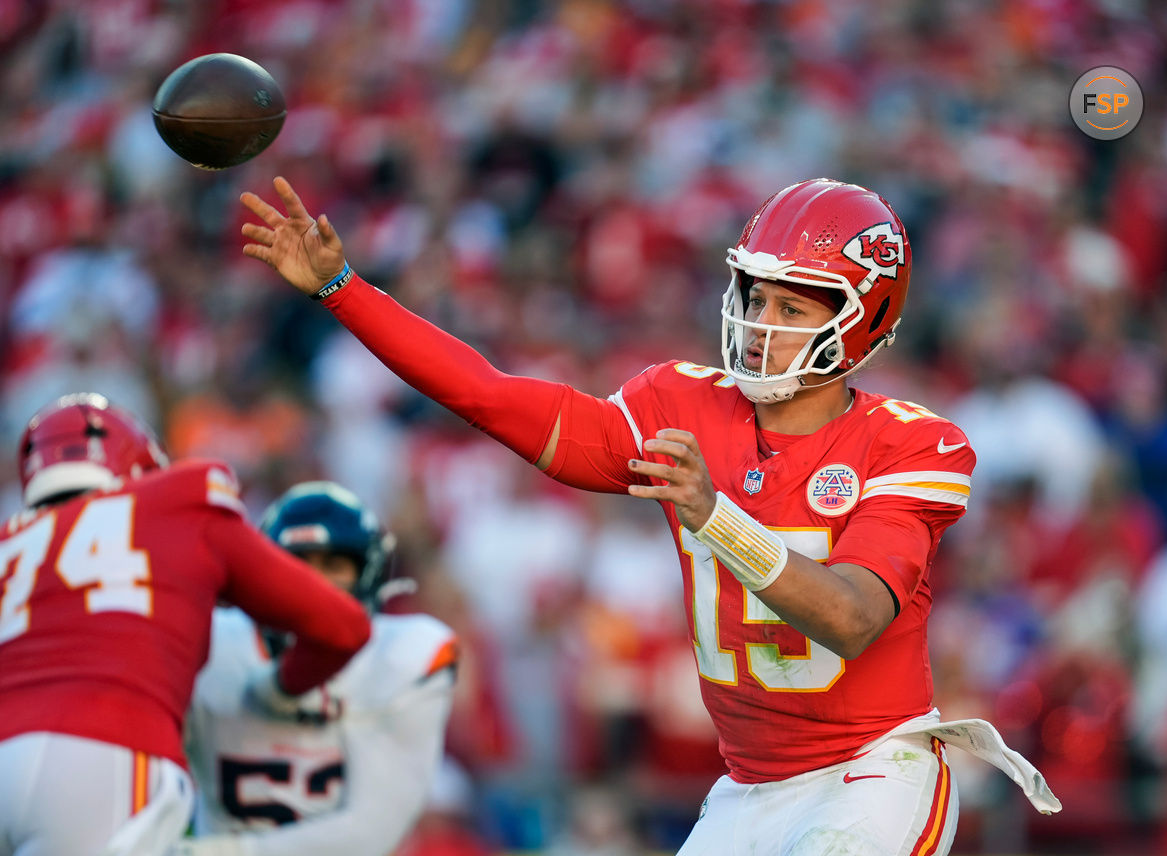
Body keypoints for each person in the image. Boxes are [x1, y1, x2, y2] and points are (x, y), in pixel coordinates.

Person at [241, 176, 1061, 855]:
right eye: (758, 295)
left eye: (796, 305)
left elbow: (850, 617)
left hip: (874, 773)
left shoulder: (911, 444)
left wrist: (716, 516)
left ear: (865, 318)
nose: (764, 325)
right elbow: (491, 397)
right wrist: (343, 291)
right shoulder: (680, 402)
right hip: (749, 788)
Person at [0, 393, 371, 856]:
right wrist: (280, 689)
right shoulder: (178, 502)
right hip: (107, 749)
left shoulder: (11, 542)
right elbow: (343, 626)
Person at [177, 481, 459, 856]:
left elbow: (371, 833)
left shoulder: (403, 658)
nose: (312, 583)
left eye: (333, 565)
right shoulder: (213, 644)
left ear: (368, 576)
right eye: (297, 563)